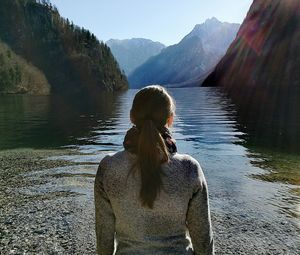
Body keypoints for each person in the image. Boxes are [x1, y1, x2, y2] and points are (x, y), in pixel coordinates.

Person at [94, 85, 214, 255]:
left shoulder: (108, 167)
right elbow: (203, 243)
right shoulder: (190, 169)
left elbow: (104, 242)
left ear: (132, 117)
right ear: (170, 119)